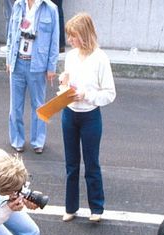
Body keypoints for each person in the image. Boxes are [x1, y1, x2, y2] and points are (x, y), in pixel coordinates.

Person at [58, 13, 114, 223]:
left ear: (84, 35)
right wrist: (65, 81)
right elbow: (68, 84)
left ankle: (96, 208)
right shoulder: (71, 56)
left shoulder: (100, 59)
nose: (70, 40)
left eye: (73, 36)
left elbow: (110, 93)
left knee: (92, 164)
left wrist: (87, 95)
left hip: (90, 116)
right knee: (71, 165)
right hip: (69, 113)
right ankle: (70, 207)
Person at [6, 0, 59, 154]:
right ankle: (17, 140)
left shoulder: (50, 8)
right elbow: (10, 33)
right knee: (15, 105)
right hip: (18, 60)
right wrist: (9, 59)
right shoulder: (18, 5)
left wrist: (51, 66)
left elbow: (55, 41)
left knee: (39, 105)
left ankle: (38, 141)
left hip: (38, 64)